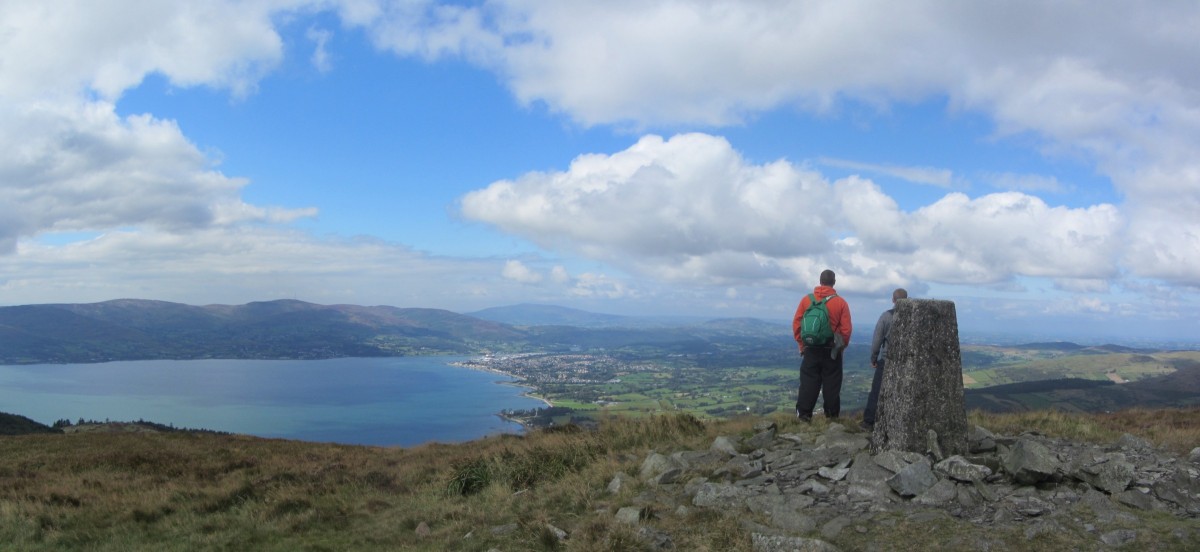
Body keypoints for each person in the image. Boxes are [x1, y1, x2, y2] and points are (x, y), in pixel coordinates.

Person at [792, 269, 852, 422]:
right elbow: (846, 331)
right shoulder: (841, 303)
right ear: (834, 282)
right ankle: (831, 418)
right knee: (832, 385)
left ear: (820, 281)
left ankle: (804, 416)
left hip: (810, 349)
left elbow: (797, 325)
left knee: (808, 383)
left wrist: (801, 345)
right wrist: (840, 348)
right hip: (831, 350)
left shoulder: (807, 300)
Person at [862, 288, 907, 430]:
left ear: (893, 300)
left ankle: (869, 422)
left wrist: (874, 358)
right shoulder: (913, 317)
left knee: (877, 391)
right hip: (907, 363)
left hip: (888, 361)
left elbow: (877, 340)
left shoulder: (886, 316)